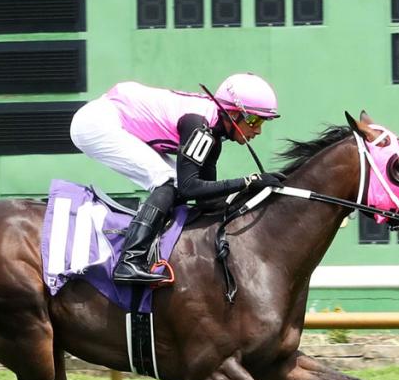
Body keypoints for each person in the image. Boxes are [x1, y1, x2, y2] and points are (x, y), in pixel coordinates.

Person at [69, 73, 283, 285]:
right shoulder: (199, 125)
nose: (258, 130)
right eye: (254, 120)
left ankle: (150, 249)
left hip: (113, 117)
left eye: (262, 122)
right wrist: (248, 181)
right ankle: (130, 260)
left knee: (174, 182)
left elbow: (206, 201)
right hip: (97, 123)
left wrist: (251, 193)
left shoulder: (213, 136)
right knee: (168, 180)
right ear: (232, 113)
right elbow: (191, 188)